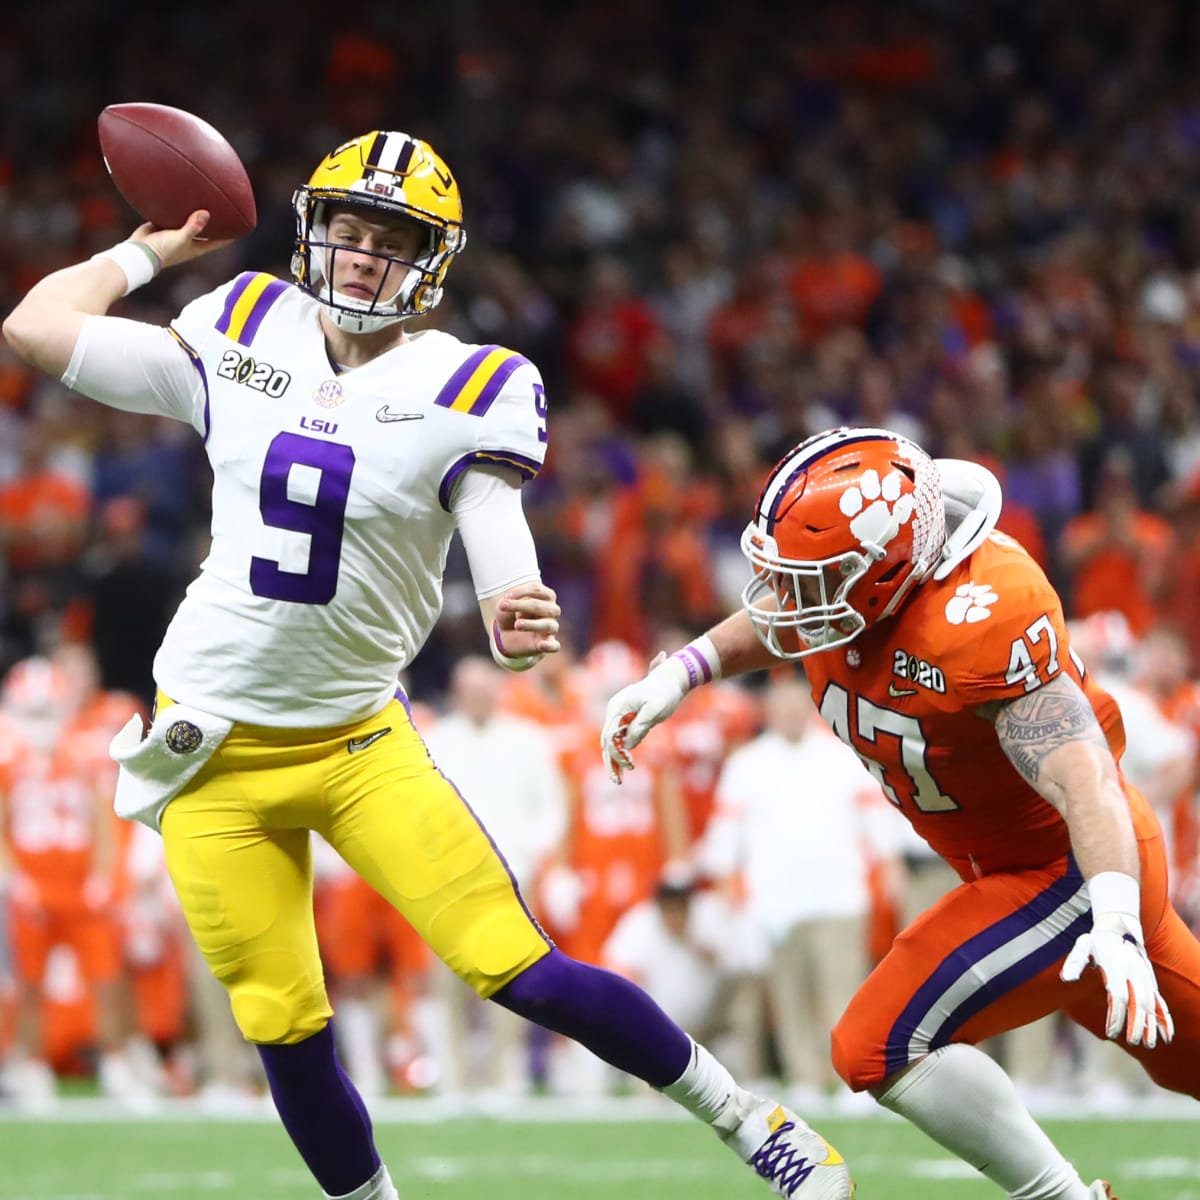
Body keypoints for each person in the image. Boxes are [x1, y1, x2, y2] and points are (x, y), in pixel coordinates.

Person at [2, 128, 852, 1200]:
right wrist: (146, 255)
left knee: (521, 969)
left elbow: (491, 515)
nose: (361, 256)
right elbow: (34, 326)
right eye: (347, 231)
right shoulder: (242, 325)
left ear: (431, 261)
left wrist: (511, 600)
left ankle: (750, 1121)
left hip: (358, 742)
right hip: (207, 752)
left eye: (388, 239)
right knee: (286, 1028)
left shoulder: (471, 383)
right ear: (316, 235)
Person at [602, 425, 1200, 1200]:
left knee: (877, 1043)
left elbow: (1084, 782)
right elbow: (783, 619)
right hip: (1026, 876)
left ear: (879, 575)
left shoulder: (984, 616)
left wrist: (1115, 916)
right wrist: (686, 671)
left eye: (811, 581)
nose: (788, 599)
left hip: (1075, 873)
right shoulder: (847, 596)